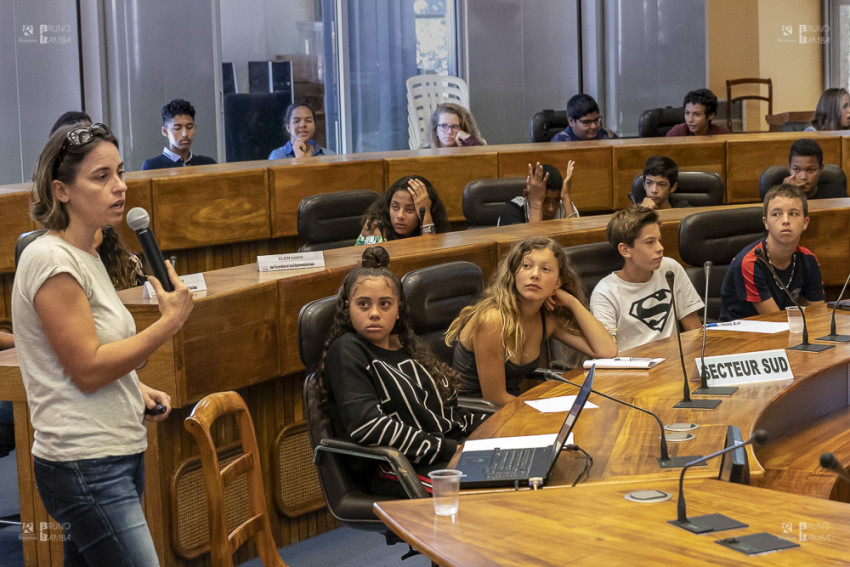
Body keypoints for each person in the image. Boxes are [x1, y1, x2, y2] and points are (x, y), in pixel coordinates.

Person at [12, 122, 194, 565]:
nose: (120, 187)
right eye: (101, 177)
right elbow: (88, 369)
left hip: (116, 451)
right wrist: (168, 323)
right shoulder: (51, 261)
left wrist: (136, 389)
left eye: (120, 172)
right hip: (84, 462)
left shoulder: (89, 255)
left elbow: (87, 359)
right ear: (61, 190)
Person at [318, 246, 487, 494]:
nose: (374, 313)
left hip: (440, 452)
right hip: (397, 467)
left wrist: (492, 427)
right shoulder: (347, 350)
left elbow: (445, 411)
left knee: (524, 469)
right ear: (347, 306)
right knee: (496, 489)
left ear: (398, 308)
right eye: (363, 304)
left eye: (384, 304)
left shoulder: (406, 343)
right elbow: (369, 427)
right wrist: (450, 450)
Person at [445, 236, 616, 407]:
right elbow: (494, 398)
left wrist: (572, 302)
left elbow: (606, 351)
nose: (535, 275)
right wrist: (544, 410)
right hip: (476, 415)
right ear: (514, 273)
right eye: (526, 266)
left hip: (513, 406)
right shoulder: (492, 320)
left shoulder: (547, 319)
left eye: (546, 269)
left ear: (557, 282)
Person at [590, 207, 703, 353]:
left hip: (674, 365)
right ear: (625, 250)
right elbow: (607, 353)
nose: (660, 248)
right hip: (633, 370)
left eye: (659, 240)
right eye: (650, 242)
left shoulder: (670, 269)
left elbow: (693, 328)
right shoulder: (605, 293)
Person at [719, 184, 824, 321]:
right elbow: (775, 320)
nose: (785, 221)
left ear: (805, 222)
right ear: (766, 222)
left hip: (784, 333)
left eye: (793, 214)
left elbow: (819, 315)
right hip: (740, 336)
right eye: (776, 214)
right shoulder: (750, 262)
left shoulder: (808, 259)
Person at [356, 175, 450, 245]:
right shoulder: (376, 225)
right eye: (395, 207)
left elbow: (432, 260)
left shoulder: (431, 223)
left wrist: (425, 216)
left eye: (409, 210)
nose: (400, 216)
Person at [141, 99, 217, 170]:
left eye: (189, 127)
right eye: (177, 128)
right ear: (165, 131)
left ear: (195, 128)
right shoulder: (152, 166)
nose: (185, 134)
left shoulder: (208, 164)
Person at [497, 161, 579, 225]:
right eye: (544, 201)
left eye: (556, 201)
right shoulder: (511, 211)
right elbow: (532, 244)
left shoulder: (566, 206)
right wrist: (536, 203)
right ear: (526, 195)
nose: (551, 209)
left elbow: (579, 241)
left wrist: (566, 197)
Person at [781, 138, 847, 199]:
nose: (803, 177)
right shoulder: (776, 196)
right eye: (796, 169)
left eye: (810, 170)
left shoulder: (837, 195)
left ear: (820, 169)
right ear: (789, 168)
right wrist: (785, 193)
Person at [268, 102, 334, 159]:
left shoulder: (329, 156)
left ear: (314, 125)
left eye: (308, 120)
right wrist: (299, 160)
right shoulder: (277, 156)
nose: (303, 125)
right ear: (288, 127)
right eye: (296, 121)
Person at [666, 88, 731, 137]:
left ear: (711, 115)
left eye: (697, 114)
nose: (690, 119)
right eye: (687, 113)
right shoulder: (677, 133)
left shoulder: (722, 134)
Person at [551, 94, 616, 142]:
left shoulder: (606, 135)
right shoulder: (560, 142)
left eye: (596, 120)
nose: (594, 126)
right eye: (586, 122)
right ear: (571, 121)